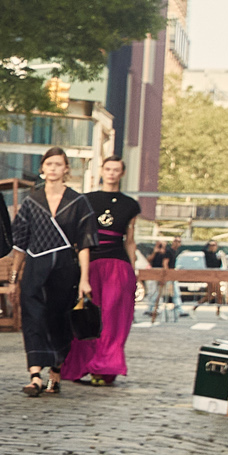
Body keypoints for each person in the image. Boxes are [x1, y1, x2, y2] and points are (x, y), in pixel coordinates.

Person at [9, 145, 88, 396]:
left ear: (66, 169)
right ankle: (35, 376)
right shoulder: (31, 200)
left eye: (58, 164)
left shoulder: (78, 201)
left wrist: (85, 279)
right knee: (32, 318)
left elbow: (85, 243)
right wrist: (13, 277)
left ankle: (55, 371)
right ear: (42, 168)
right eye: (49, 164)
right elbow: (20, 243)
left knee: (58, 319)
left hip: (64, 268)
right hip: (34, 266)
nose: (53, 168)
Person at [65, 154, 143, 385]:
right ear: (101, 171)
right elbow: (77, 237)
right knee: (86, 315)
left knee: (112, 318)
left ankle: (105, 367)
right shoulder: (85, 200)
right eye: (107, 168)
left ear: (122, 173)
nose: (111, 173)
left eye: (116, 169)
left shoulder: (131, 205)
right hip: (90, 263)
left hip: (118, 266)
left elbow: (130, 240)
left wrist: (134, 271)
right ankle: (82, 365)